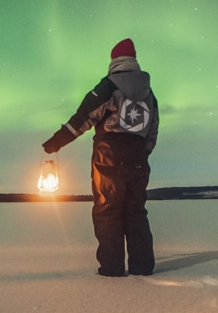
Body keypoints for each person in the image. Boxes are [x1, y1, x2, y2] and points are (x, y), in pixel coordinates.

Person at [42, 38, 159, 277]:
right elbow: (153, 129)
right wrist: (142, 152)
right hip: (138, 159)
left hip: (109, 158)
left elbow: (83, 118)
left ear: (114, 60)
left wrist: (56, 142)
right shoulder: (149, 92)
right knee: (136, 211)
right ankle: (142, 266)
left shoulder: (108, 86)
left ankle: (112, 268)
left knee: (107, 210)